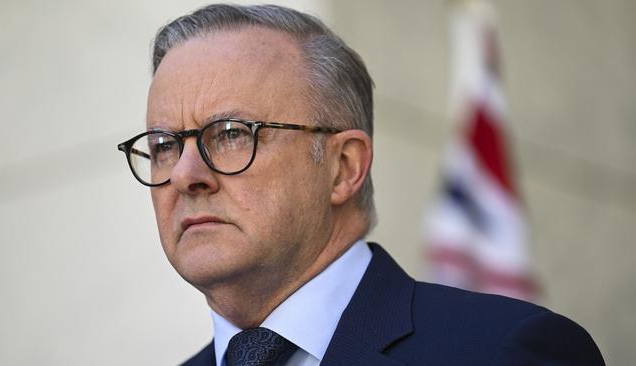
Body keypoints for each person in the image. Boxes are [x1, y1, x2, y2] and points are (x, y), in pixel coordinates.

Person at [117, 4, 605, 366]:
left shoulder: (505, 351)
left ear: (344, 167)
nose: (183, 174)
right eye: (163, 145)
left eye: (229, 135)